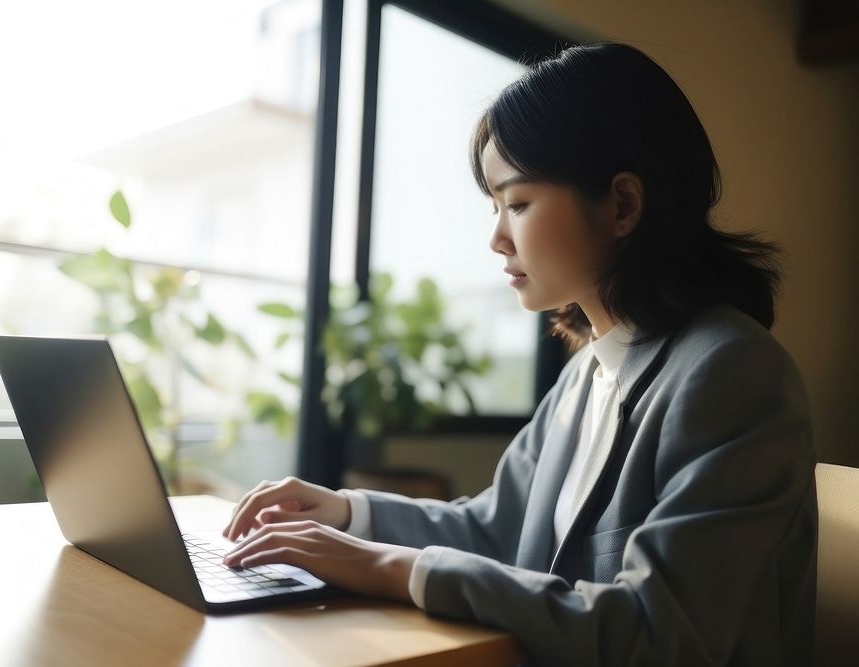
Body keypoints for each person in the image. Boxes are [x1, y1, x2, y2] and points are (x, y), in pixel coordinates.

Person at [220, 41, 816, 666]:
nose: (497, 237)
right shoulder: (587, 373)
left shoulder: (733, 374)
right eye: (495, 207)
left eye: (518, 203)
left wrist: (393, 568)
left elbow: (659, 632)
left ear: (623, 205)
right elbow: (494, 528)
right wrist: (348, 513)